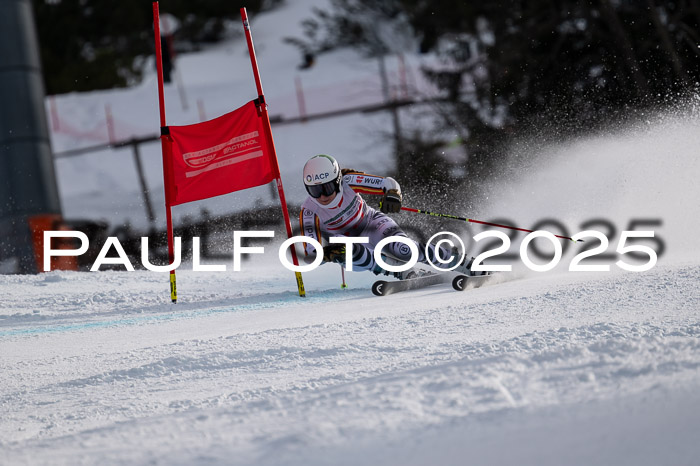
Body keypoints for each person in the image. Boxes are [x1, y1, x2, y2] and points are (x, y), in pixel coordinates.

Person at [298, 154, 472, 278]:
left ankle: (460, 262)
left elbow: (387, 183)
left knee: (403, 250)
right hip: (353, 246)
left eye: (327, 188)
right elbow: (310, 255)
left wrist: (393, 194)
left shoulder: (348, 181)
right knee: (347, 250)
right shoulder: (309, 211)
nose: (322, 196)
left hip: (373, 224)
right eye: (315, 190)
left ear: (337, 181)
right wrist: (327, 254)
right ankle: (400, 271)